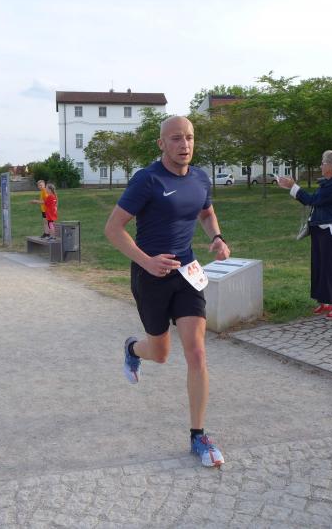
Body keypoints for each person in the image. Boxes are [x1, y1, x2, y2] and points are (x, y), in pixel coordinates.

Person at [104, 115, 230, 468]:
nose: (184, 144)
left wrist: (217, 237)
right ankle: (133, 349)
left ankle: (198, 435)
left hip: (187, 273)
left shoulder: (200, 178)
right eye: (176, 138)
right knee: (160, 353)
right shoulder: (147, 179)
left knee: (197, 353)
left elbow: (206, 213)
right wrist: (147, 261)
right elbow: (113, 229)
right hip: (151, 276)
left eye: (189, 137)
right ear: (161, 143)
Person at [277, 150, 332, 319]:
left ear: (331, 166)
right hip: (319, 228)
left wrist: (293, 186)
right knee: (319, 267)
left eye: (323, 163)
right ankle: (325, 302)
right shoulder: (328, 183)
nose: (321, 166)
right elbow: (313, 200)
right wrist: (293, 188)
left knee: (329, 268)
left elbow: (312, 200)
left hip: (331, 230)